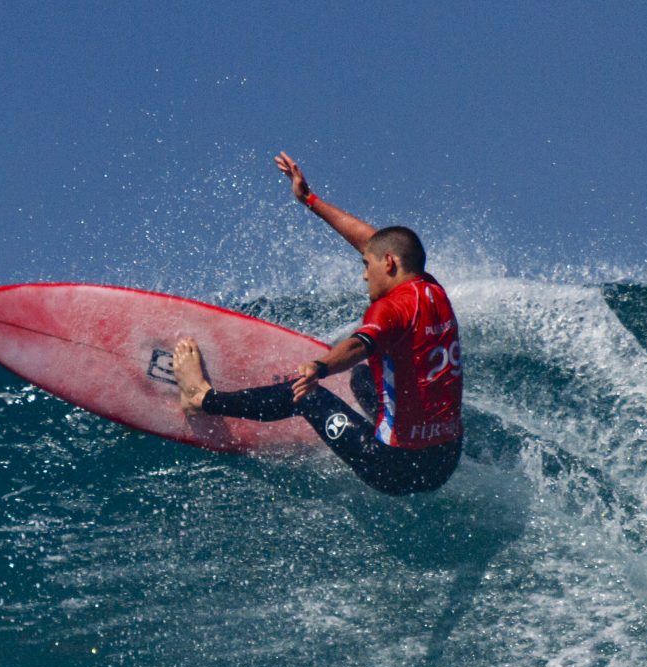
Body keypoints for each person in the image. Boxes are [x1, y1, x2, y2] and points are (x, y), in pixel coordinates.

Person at [173, 153, 463, 495]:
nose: (363, 273)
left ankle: (202, 398)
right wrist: (310, 199)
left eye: (366, 264)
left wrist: (319, 368)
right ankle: (383, 421)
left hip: (394, 468)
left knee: (304, 396)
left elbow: (359, 345)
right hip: (446, 459)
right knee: (363, 378)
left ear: (388, 263)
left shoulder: (389, 309)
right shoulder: (430, 288)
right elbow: (373, 240)